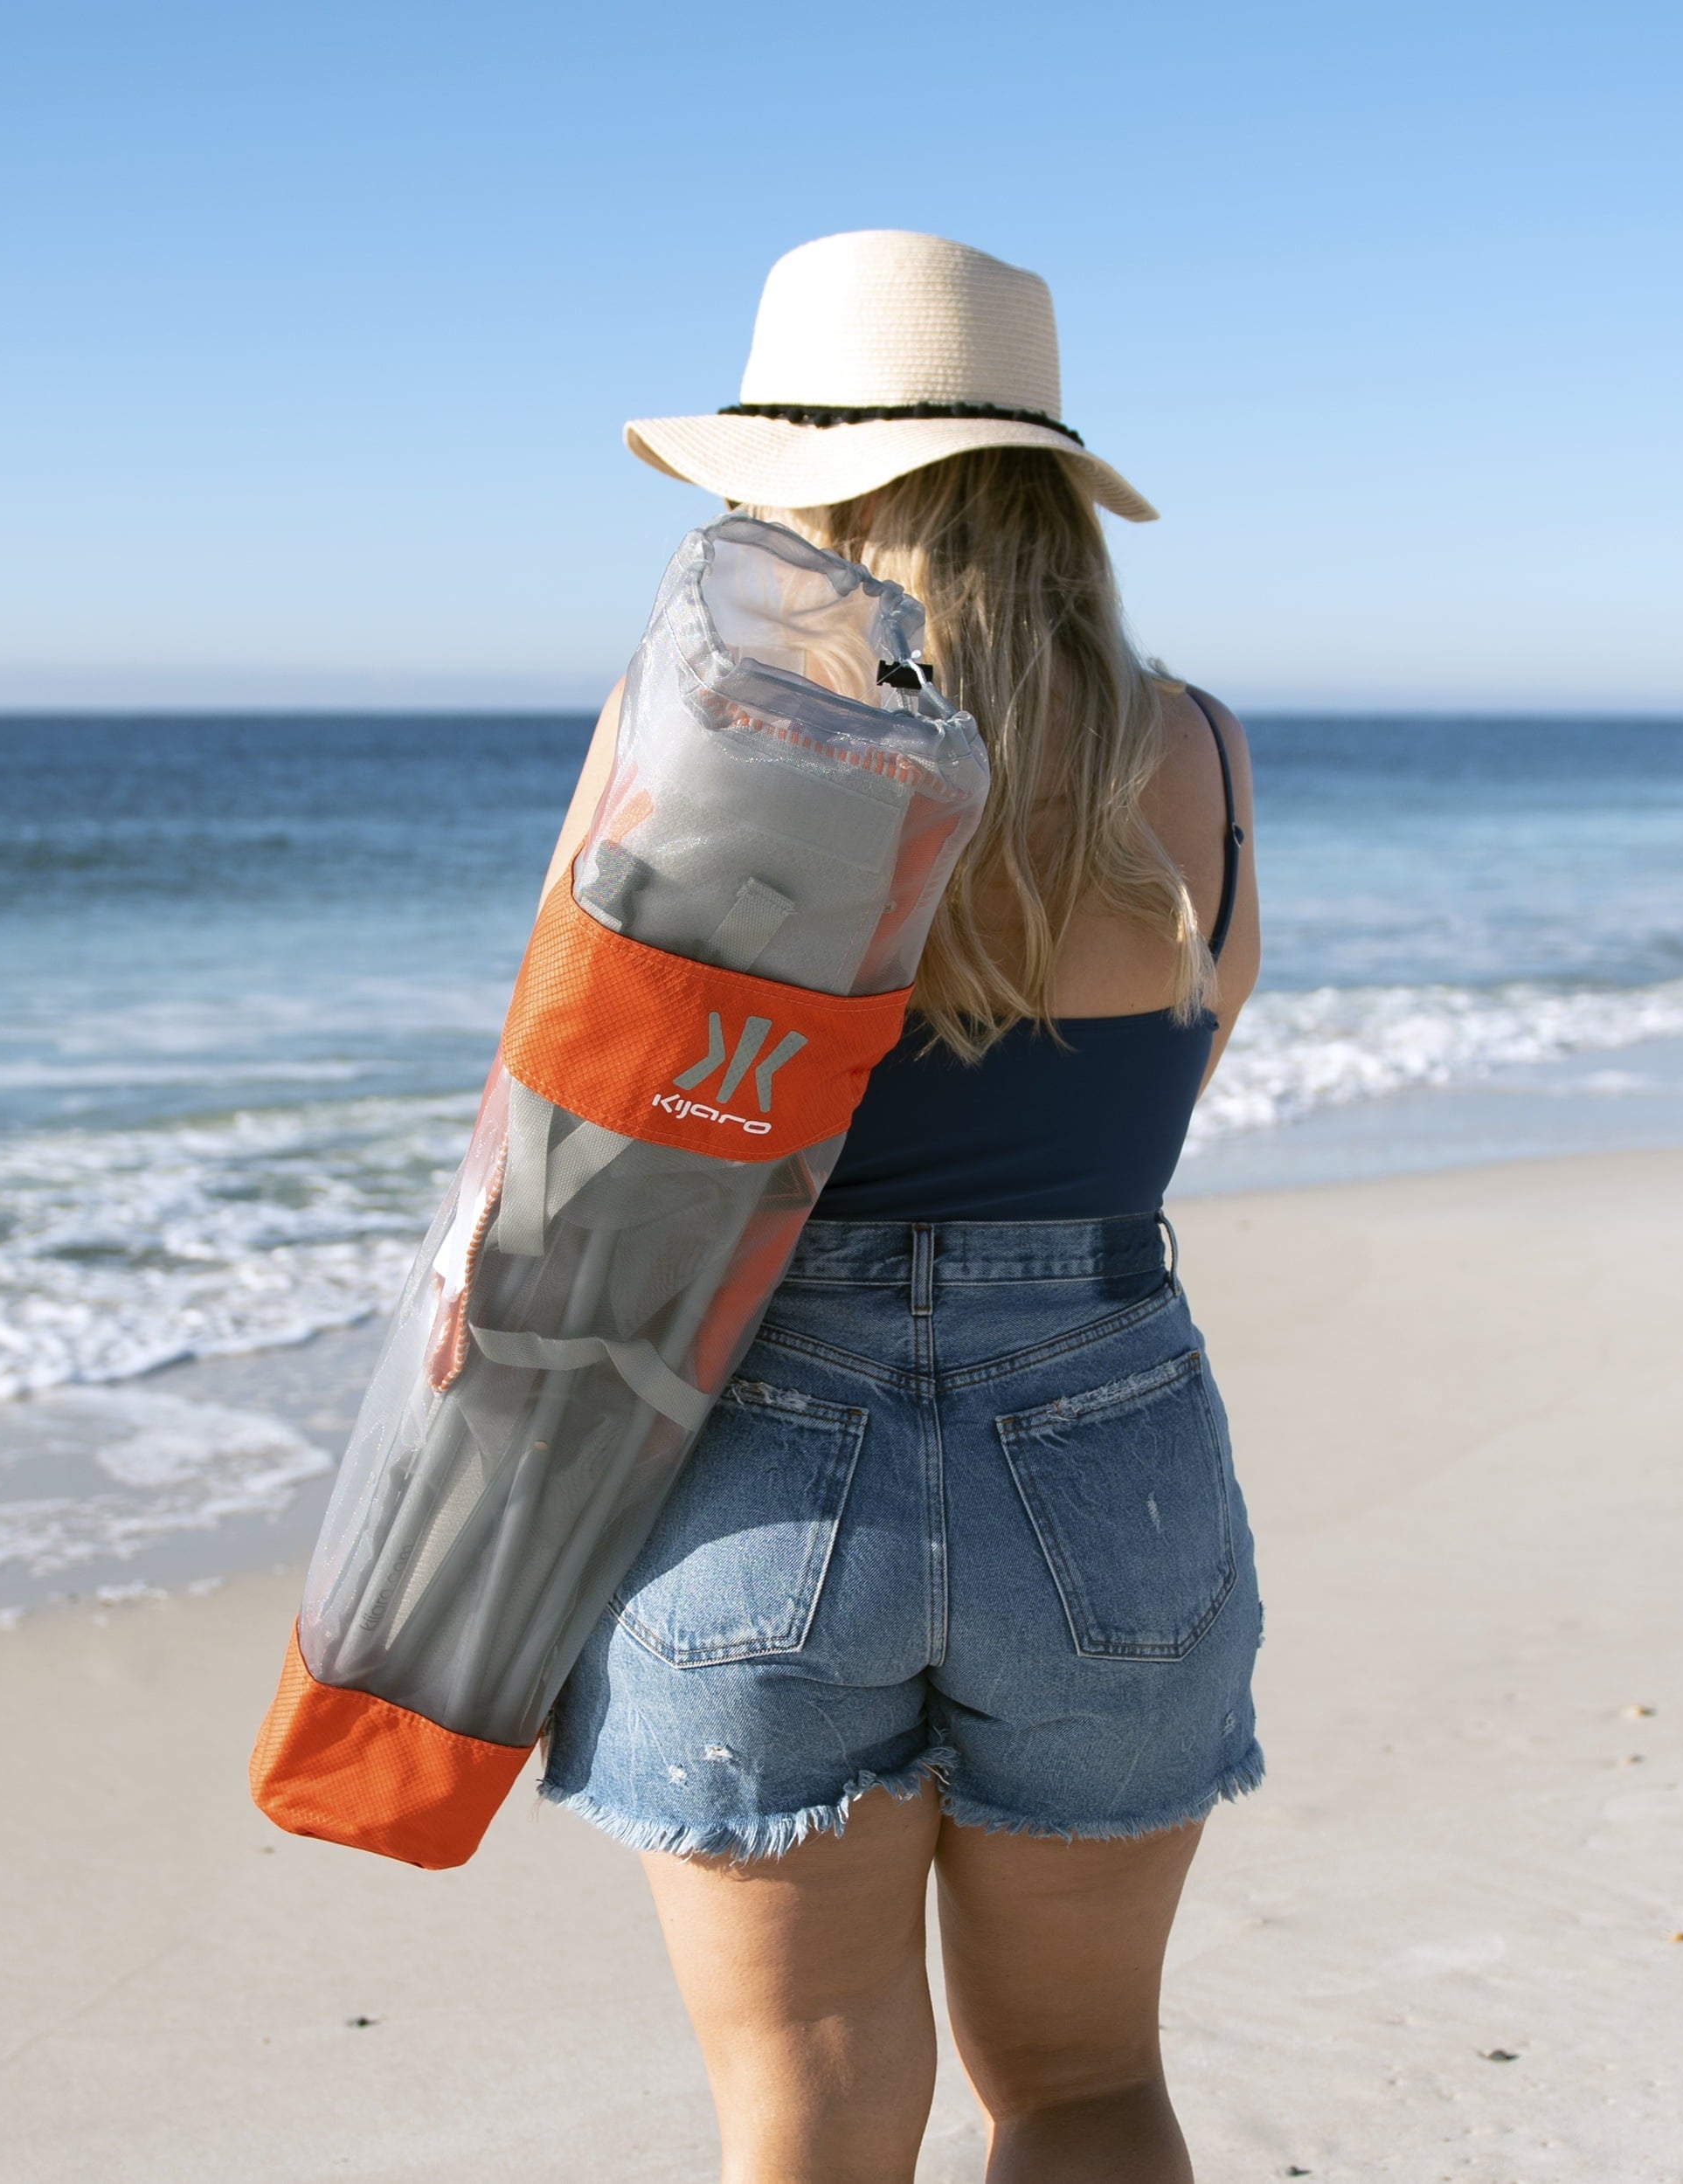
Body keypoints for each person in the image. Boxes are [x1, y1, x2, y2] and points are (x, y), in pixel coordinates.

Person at [537, 231, 1262, 2184]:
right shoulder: (1185, 745)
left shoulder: (699, 729)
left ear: (809, 487)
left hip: (756, 1437)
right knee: (1088, 2084)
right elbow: (1161, 1098)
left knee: (807, 2108)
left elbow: (569, 1110)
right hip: (1104, 1433)